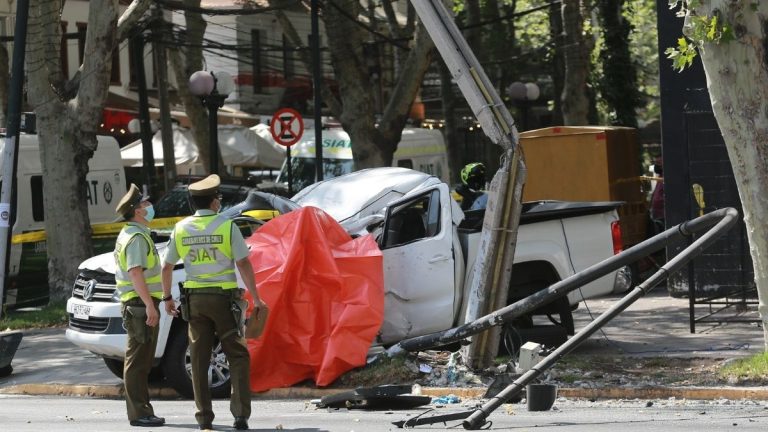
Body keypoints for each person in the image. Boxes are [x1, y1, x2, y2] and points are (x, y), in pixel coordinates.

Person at [161, 174, 265, 431]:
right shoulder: (227, 226)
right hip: (224, 301)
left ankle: (204, 419)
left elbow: (166, 266)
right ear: (215, 202)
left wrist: (166, 297)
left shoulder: (181, 228)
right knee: (237, 355)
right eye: (218, 198)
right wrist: (257, 296)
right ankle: (240, 416)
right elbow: (243, 262)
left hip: (194, 301)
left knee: (198, 359)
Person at [113, 184, 166, 428]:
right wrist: (150, 306)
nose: (149, 207)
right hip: (138, 304)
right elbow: (136, 274)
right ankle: (139, 413)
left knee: (142, 360)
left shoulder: (134, 233)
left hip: (138, 303)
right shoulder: (135, 237)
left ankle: (142, 410)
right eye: (145, 204)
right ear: (137, 211)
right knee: (137, 361)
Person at [649, 158, 665, 235]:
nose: (656, 166)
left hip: (663, 215)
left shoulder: (667, 177)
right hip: (657, 215)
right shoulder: (660, 177)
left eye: (658, 163)